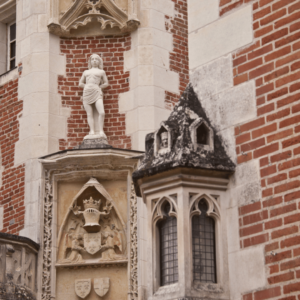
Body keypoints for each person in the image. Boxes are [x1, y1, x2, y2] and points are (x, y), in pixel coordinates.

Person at [79, 54, 109, 139]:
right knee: (89, 113)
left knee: (102, 112)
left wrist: (100, 87)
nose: (94, 61)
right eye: (93, 59)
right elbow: (80, 83)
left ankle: (101, 131)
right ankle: (92, 131)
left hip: (96, 91)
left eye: (96, 59)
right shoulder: (86, 72)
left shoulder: (101, 72)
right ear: (90, 61)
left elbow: (106, 83)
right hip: (87, 92)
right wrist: (86, 86)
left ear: (99, 61)